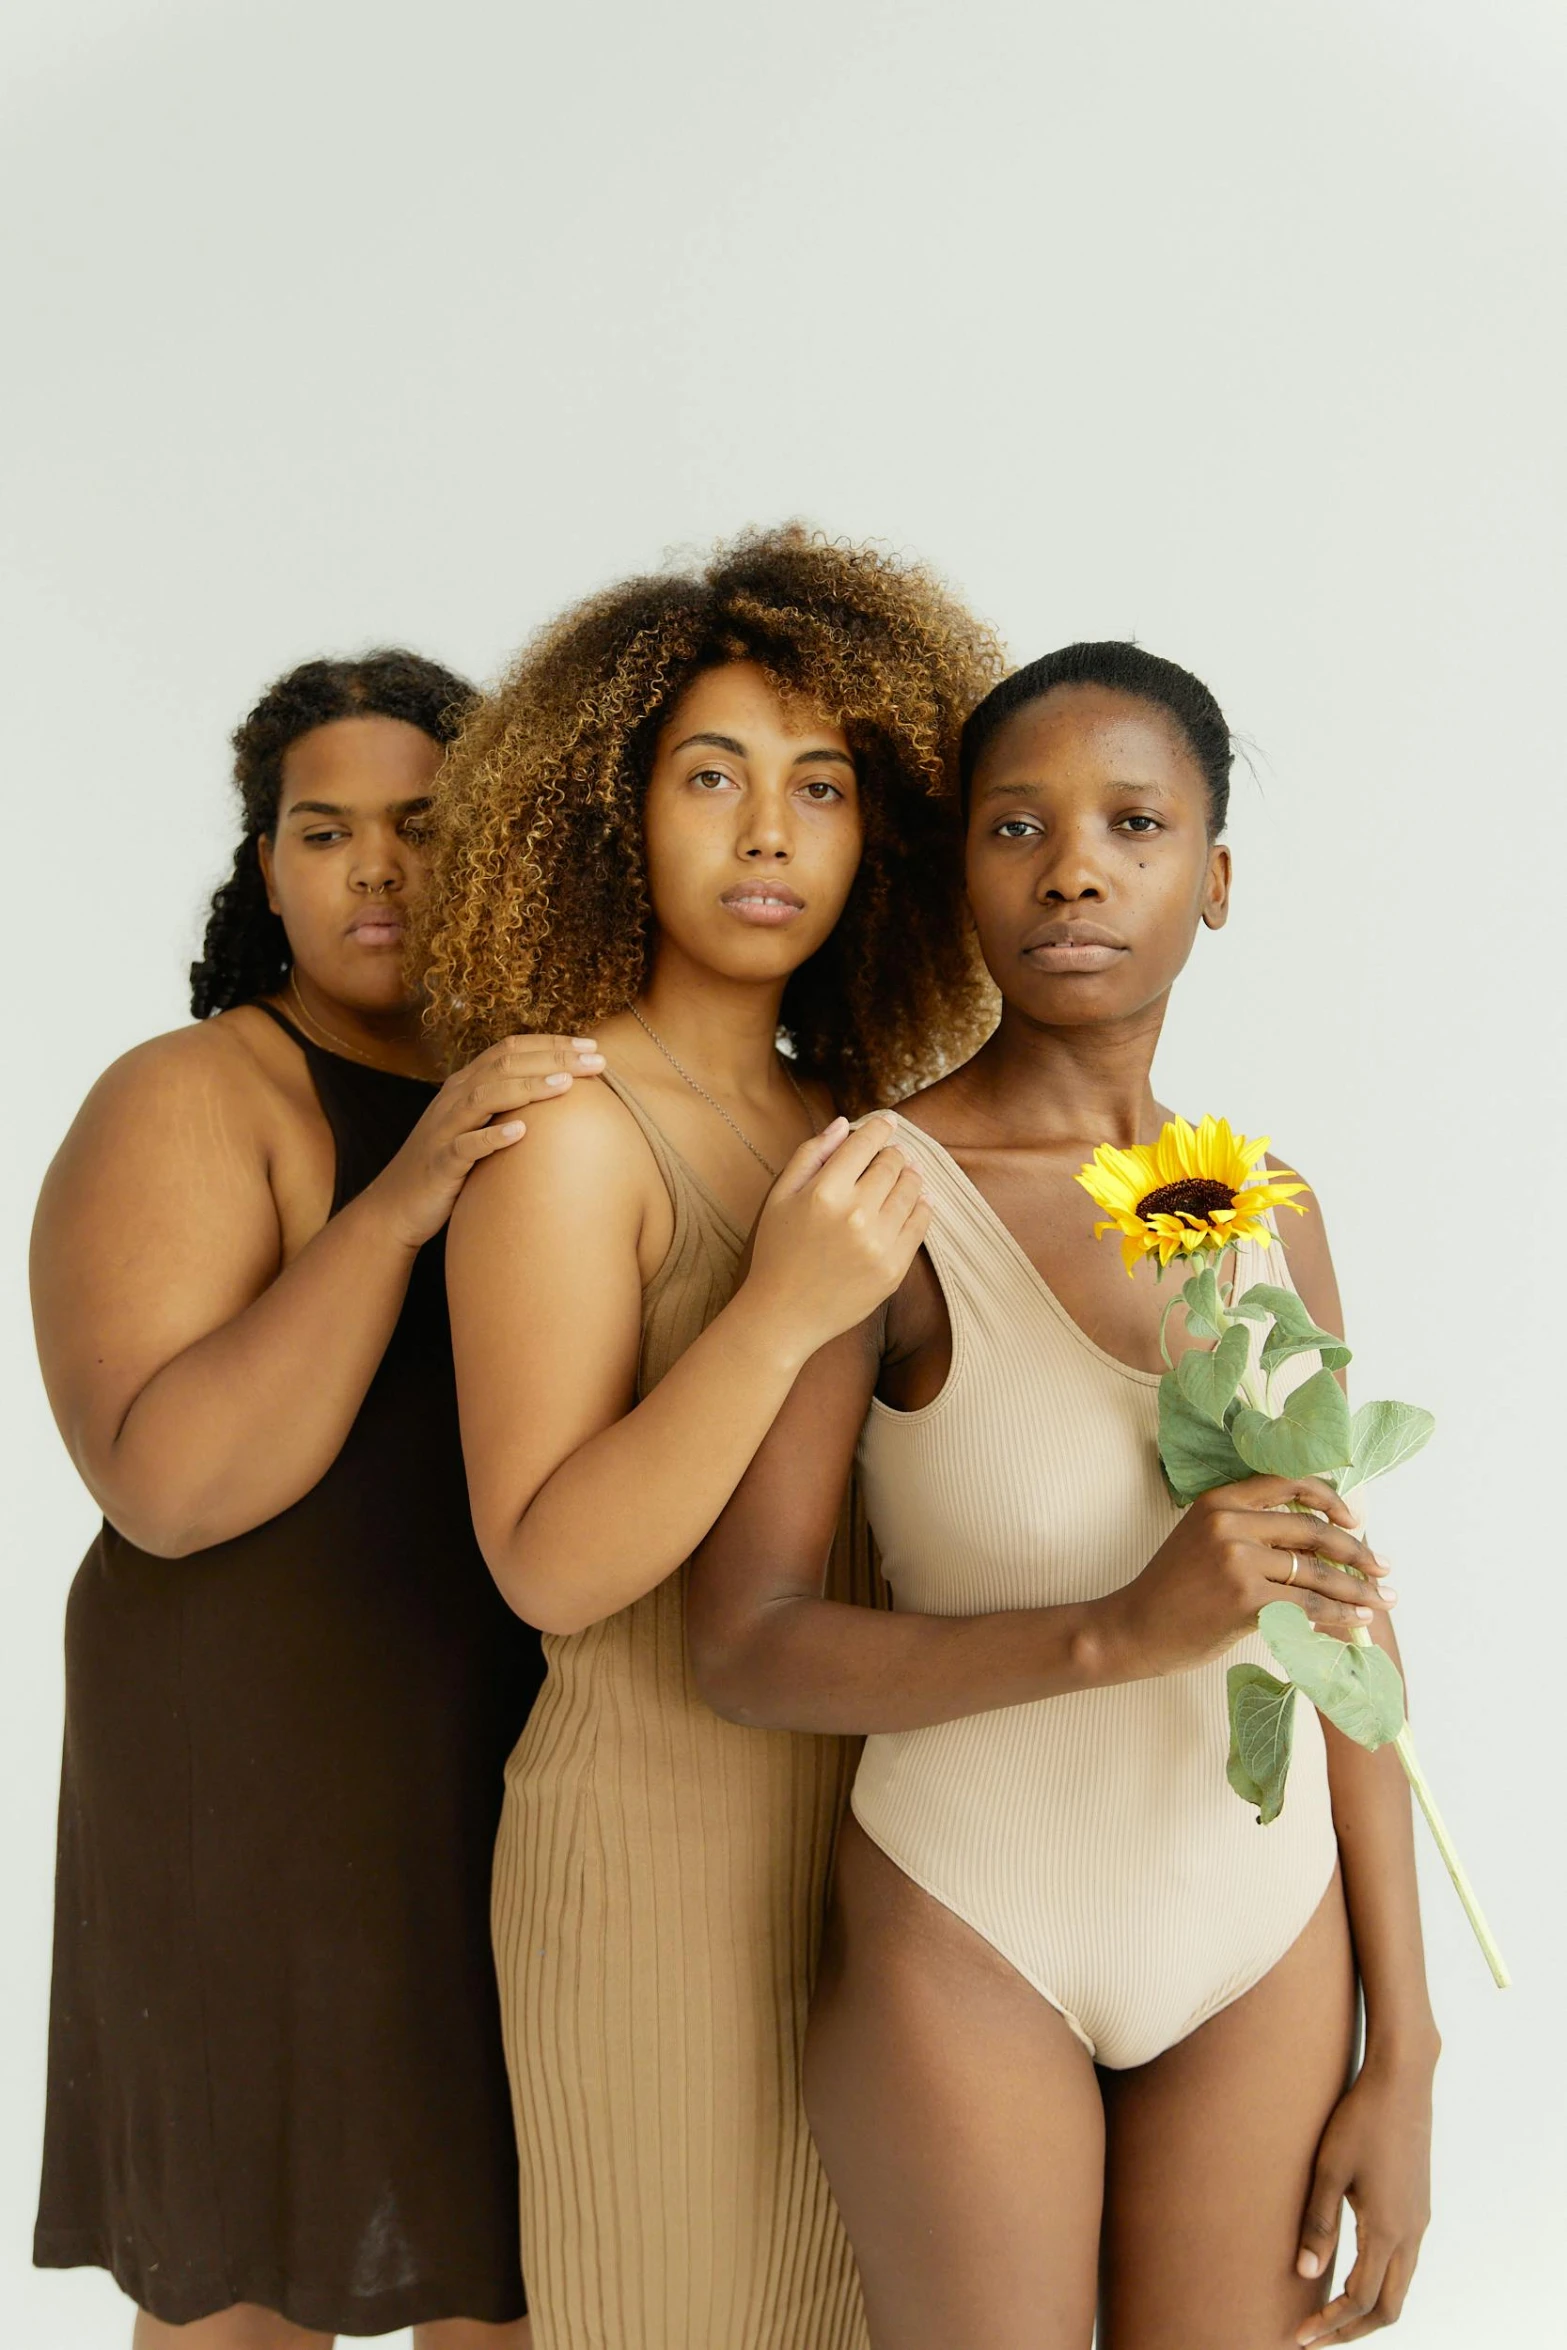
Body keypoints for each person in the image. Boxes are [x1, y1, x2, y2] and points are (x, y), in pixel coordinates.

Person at [689, 642, 1438, 2350]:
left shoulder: (1258, 1201)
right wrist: (1114, 1630)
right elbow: (745, 1643)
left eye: (1134, 821)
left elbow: (1342, 1612)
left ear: (1214, 879)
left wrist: (1406, 2045)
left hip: (1260, 1938)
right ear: (961, 877)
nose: (1074, 865)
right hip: (972, 1929)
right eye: (1016, 824)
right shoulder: (881, 1194)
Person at [418, 527, 1002, 2350]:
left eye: (820, 787)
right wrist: (776, 1310)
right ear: (609, 815)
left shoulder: (861, 1124)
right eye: (711, 777)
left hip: (886, 1854)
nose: (768, 834)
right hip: (651, 1865)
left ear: (882, 833)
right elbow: (548, 1558)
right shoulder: (571, 1128)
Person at [31, 650, 603, 2349]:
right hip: (249, 1770)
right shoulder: (194, 1091)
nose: (374, 868)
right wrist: (405, 1195)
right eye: (321, 829)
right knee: (255, 2277)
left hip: (506, 1745)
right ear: (261, 863)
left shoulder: (553, 1080)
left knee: (516, 2270)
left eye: (424, 825)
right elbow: (169, 1486)